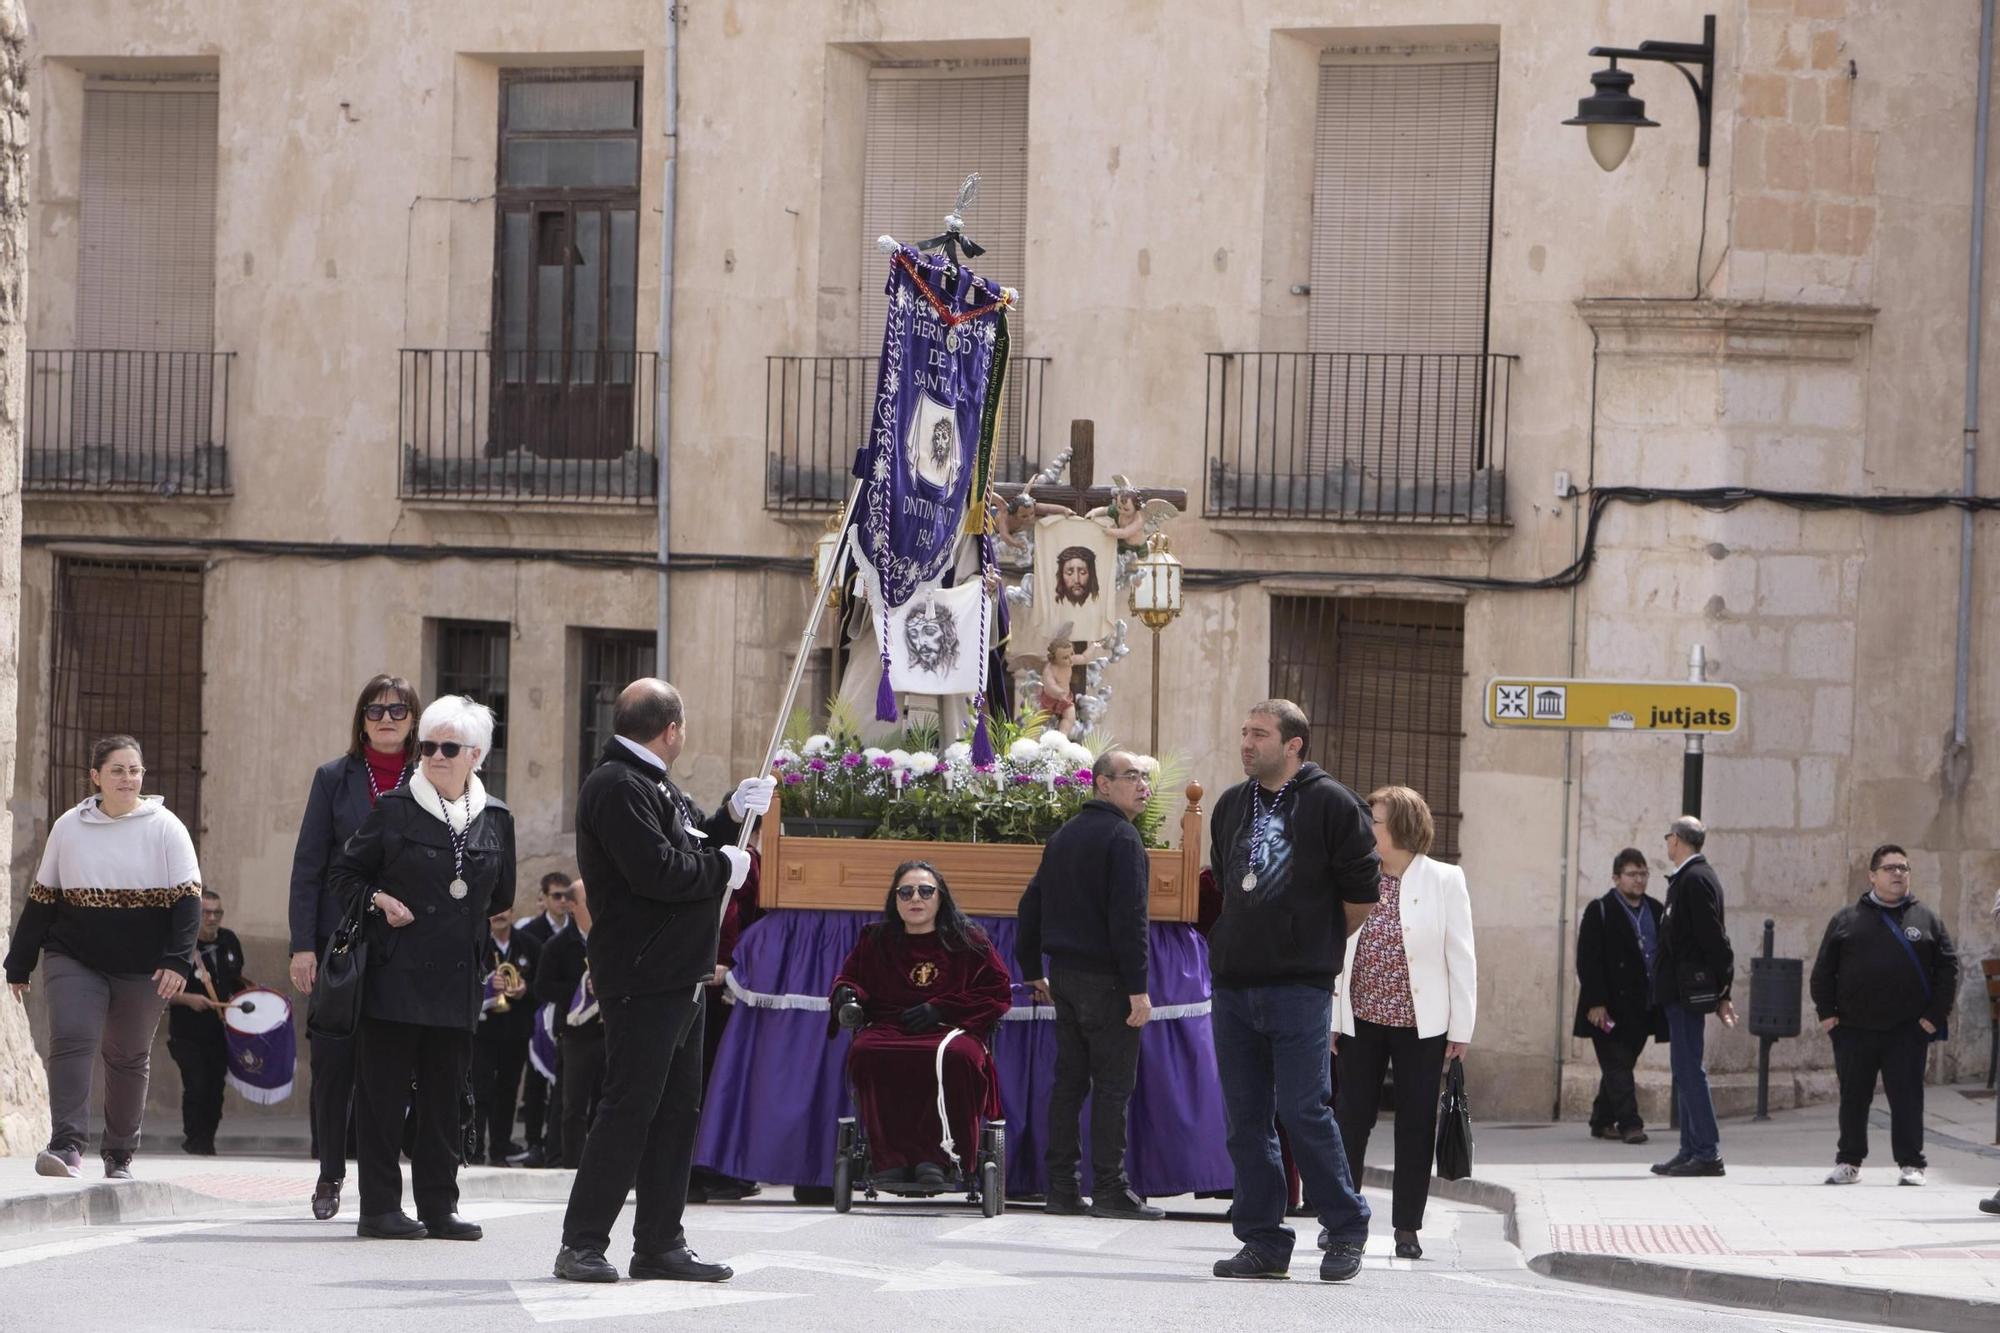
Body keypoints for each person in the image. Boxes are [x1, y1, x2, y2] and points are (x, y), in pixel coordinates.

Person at [553, 679, 773, 1285]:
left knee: (677, 1112)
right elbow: (657, 871)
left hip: (679, 971)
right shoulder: (618, 785)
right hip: (644, 973)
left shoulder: (647, 782)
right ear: (671, 729)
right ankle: (582, 1242)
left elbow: (690, 837)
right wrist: (721, 865)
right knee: (629, 1107)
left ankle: (658, 1242)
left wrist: (731, 816)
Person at [1203, 700, 1379, 1284]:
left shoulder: (1333, 803)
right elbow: (1228, 885)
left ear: (1294, 744)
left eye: (1260, 734)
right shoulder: (1230, 804)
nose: (1247, 742)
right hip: (1234, 986)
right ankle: (1263, 1241)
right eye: (1244, 731)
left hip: (1299, 987)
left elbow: (1362, 896)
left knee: (1303, 1110)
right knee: (1245, 1120)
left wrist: (1312, 943)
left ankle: (1346, 1228)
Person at [329, 695, 515, 1241]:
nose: (435, 755)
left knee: (445, 1098)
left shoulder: (496, 818)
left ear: (474, 754)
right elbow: (344, 876)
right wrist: (378, 901)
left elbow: (500, 895)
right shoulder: (393, 809)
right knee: (383, 1098)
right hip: (395, 973)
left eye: (448, 747)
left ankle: (439, 1205)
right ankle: (380, 1208)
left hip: (456, 982)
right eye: (428, 745)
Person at [6, 735, 200, 1181]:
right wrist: (20, 961)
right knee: (73, 1036)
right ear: (96, 777)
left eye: (135, 770)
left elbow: (188, 902)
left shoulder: (166, 828)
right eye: (117, 770)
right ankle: (67, 1146)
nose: (128, 778)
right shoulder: (69, 827)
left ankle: (119, 1153)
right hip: (74, 954)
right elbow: (43, 898)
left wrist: (177, 961)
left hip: (144, 964)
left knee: (128, 1055)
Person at [288, 673, 419, 1219]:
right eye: (374, 710)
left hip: (406, 943)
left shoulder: (431, 776)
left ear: (414, 718)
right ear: (360, 719)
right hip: (340, 942)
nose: (386, 719)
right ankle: (329, 1173)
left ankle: (382, 1186)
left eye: (397, 710)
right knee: (334, 1063)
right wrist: (302, 945)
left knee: (389, 1069)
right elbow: (308, 865)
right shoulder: (333, 778)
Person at [1331, 785, 1475, 1261]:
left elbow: (1462, 957)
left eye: (1374, 820)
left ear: (1401, 828)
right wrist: (1333, 1017)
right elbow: (1338, 951)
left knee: (1415, 1125)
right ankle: (1341, 1222)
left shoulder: (1445, 880)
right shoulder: (1355, 876)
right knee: (1351, 1121)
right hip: (1361, 1019)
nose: (1367, 828)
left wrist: (1462, 1029)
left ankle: (1407, 1228)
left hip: (1422, 1024)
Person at [1016, 748, 1160, 1220]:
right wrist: (1138, 988)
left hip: (1066, 980)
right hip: (1108, 982)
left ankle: (1060, 1188)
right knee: (1113, 1087)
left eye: (1144, 777)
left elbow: (1031, 902)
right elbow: (1130, 921)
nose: (1143, 785)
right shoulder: (1122, 838)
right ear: (1102, 783)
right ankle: (1111, 1190)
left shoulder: (1064, 836)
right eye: (1132, 776)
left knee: (1070, 1084)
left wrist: (1031, 966)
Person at [831, 861, 1013, 1188]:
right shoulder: (876, 940)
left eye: (926, 891)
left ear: (940, 898)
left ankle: (942, 1159)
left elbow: (997, 992)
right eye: (906, 892)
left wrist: (942, 1008)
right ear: (895, 899)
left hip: (950, 1028)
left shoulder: (968, 941)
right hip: (889, 1025)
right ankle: (889, 1158)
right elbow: (851, 978)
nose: (916, 898)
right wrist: (846, 994)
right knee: (866, 1050)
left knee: (959, 1057)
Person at [1810, 844, 1957, 1187]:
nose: (1897, 874)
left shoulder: (1926, 919)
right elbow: (1823, 971)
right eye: (1889, 868)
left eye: (1903, 868)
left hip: (1907, 1029)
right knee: (1853, 1097)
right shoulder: (1846, 919)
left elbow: (1948, 969)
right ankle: (1849, 1161)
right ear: (1872, 876)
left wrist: (1933, 1017)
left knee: (1907, 1098)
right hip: (1854, 1028)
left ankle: (1911, 1163)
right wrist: (1827, 1015)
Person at [1651, 815, 1737, 1179]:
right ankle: (1690, 1149)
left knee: (1690, 1070)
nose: (1667, 842)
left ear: (1677, 840)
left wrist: (1723, 991)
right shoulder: (1686, 878)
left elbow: (1714, 939)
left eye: (1668, 836)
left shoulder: (1696, 879)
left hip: (1689, 990)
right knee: (1684, 1071)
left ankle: (1706, 1151)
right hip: (1679, 990)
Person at [1573, 849, 1668, 1146]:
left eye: (1643, 874)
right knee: (1617, 1065)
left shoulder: (1655, 909)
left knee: (1621, 1064)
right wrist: (1595, 1002)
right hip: (1607, 1007)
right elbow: (1588, 960)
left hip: (1643, 1006)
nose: (1638, 880)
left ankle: (1601, 1121)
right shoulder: (1599, 910)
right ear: (1616, 878)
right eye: (1632, 874)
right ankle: (1630, 1124)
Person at [166, 889, 251, 1155]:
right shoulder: (179, 943)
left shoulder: (229, 941)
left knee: (215, 1088)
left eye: (217, 913)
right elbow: (159, 991)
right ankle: (195, 1141)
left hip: (221, 1032)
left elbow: (235, 978)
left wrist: (253, 995)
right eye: (206, 913)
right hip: (187, 1032)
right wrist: (188, 999)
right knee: (196, 1084)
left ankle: (207, 1142)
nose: (212, 918)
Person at [535, 878, 604, 1171]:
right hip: (576, 1034)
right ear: (573, 906)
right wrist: (579, 991)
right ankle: (571, 1164)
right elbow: (542, 988)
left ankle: (604, 1164)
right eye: (589, 900)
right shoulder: (558, 945)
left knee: (608, 1102)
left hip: (609, 1032)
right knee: (572, 1104)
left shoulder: (609, 938)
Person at [471, 904, 541, 1166]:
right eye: (494, 911)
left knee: (508, 1091)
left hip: (516, 1032)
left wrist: (525, 989)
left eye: (505, 910)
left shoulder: (530, 945)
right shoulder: (476, 942)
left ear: (513, 912)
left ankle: (500, 1148)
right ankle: (475, 1149)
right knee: (480, 1090)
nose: (500, 916)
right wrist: (487, 985)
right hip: (484, 1032)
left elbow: (543, 987)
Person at [516, 872, 572, 1167]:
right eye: (556, 896)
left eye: (566, 896)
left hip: (567, 1014)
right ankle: (534, 1141)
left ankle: (558, 1140)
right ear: (545, 898)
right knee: (536, 1082)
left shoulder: (576, 929)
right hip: (537, 1016)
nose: (562, 902)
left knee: (565, 1083)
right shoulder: (533, 932)